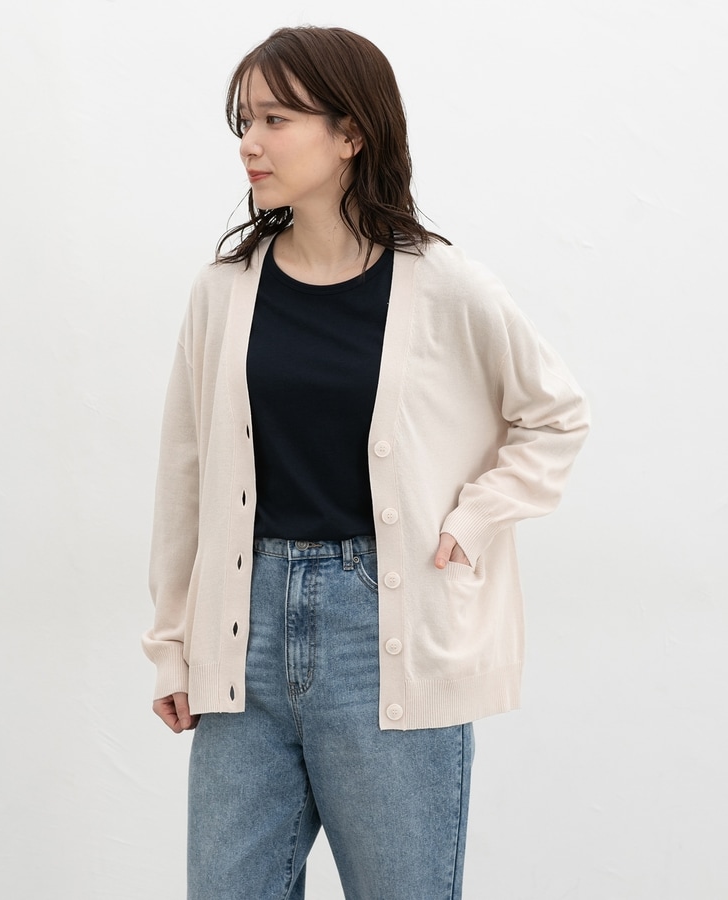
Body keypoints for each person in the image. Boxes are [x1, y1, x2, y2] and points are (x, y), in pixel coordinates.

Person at [143, 24, 590, 900]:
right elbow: (184, 477)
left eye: (275, 120)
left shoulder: (445, 284)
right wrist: (171, 646)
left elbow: (555, 415)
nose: (250, 142)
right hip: (242, 637)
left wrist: (475, 519)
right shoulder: (223, 291)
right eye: (244, 120)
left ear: (351, 132)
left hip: (385, 636)